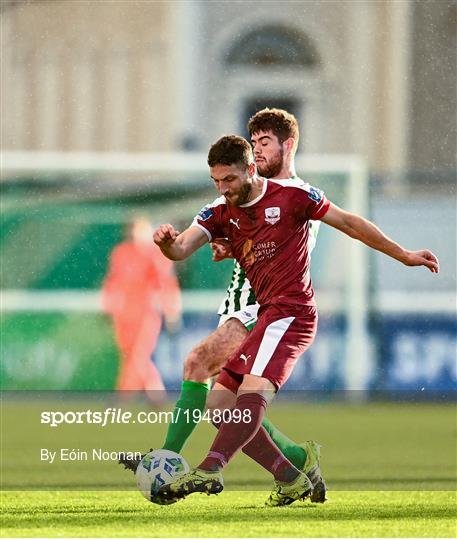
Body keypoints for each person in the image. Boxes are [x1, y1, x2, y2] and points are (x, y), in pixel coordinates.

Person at [153, 135, 439, 506]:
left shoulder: (293, 197)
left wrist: (403, 254)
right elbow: (181, 248)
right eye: (216, 182)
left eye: (230, 180)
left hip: (292, 312)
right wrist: (166, 244)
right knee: (220, 404)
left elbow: (349, 223)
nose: (223, 189)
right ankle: (292, 476)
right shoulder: (220, 211)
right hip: (268, 314)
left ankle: (210, 468)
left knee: (250, 393)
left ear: (251, 170)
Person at [119, 109, 327, 503]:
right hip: (236, 301)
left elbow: (287, 245)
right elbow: (228, 239)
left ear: (288, 145)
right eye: (255, 141)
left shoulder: (297, 195)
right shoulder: (240, 195)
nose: (259, 149)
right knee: (224, 406)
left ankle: (166, 461)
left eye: (264, 142)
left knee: (197, 364)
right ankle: (296, 464)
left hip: (261, 304)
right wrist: (228, 245)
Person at [102, 216, 181, 403]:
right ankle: (156, 394)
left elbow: (166, 285)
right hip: (124, 313)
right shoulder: (120, 253)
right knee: (131, 355)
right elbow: (113, 281)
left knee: (138, 355)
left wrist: (171, 311)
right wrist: (108, 305)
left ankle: (122, 398)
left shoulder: (155, 254)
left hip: (146, 313)